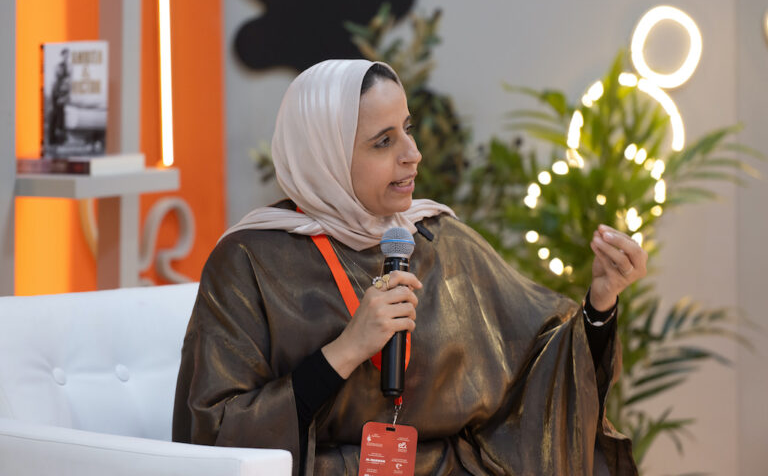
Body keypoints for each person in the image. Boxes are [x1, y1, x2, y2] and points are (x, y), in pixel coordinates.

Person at [173, 60, 646, 475]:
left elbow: (544, 361)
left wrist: (600, 302)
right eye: (383, 141)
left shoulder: (438, 238)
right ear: (326, 156)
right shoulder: (249, 261)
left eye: (407, 128)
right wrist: (345, 351)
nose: (412, 153)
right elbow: (211, 434)